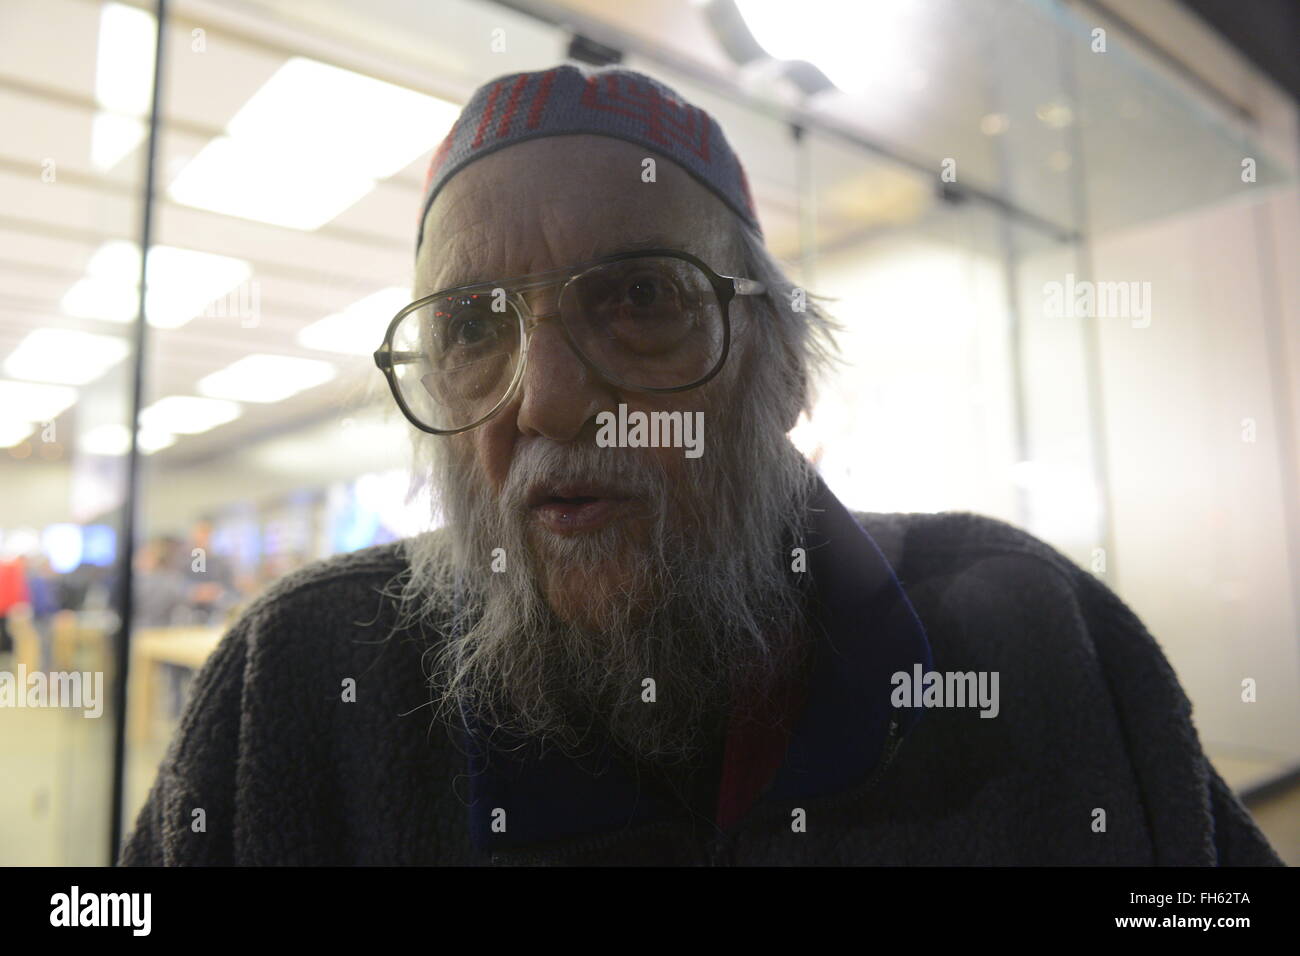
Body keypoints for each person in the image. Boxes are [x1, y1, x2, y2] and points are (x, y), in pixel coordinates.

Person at [122, 64, 1280, 866]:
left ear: (782, 367)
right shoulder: (299, 687)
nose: (550, 397)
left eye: (640, 298)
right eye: (471, 324)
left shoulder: (1042, 643)